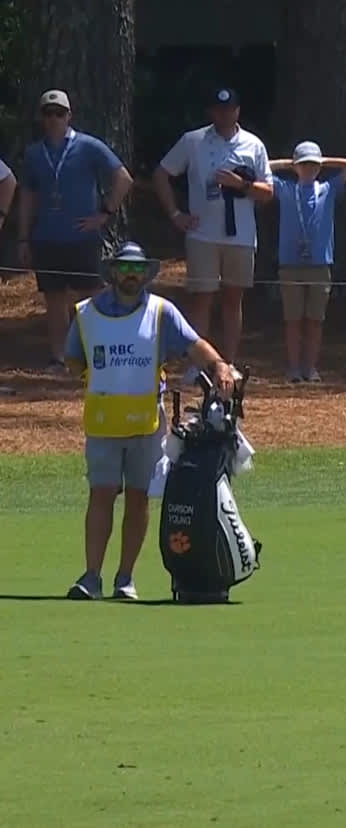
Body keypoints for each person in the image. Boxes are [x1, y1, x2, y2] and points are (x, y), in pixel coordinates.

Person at [62, 242, 235, 600]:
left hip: (145, 423)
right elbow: (74, 361)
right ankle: (91, 576)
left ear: (146, 274)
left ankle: (125, 579)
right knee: (101, 495)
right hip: (103, 423)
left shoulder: (161, 312)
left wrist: (218, 365)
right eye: (125, 268)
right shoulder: (87, 313)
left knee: (139, 499)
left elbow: (193, 344)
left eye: (138, 270)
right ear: (112, 272)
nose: (131, 275)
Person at [12, 90, 134, 368]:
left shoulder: (89, 146)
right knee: (54, 302)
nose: (54, 118)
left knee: (90, 299)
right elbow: (28, 195)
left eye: (59, 113)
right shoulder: (33, 153)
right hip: (46, 237)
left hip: (82, 237)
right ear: (41, 117)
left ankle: (96, 357)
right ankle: (59, 358)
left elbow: (123, 177)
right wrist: (23, 238)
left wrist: (104, 213)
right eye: (48, 113)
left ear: (69, 115)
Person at [152, 88, 274, 365]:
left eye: (229, 109)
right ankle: (200, 366)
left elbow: (268, 193)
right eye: (218, 110)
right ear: (210, 112)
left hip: (241, 236)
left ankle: (228, 365)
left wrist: (240, 184)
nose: (224, 115)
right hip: (202, 235)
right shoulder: (193, 141)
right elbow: (161, 174)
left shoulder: (253, 145)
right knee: (202, 300)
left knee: (233, 301)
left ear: (238, 111)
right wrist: (175, 214)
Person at [266, 142, 346, 383]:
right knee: (293, 320)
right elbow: (262, 169)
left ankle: (310, 367)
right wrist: (290, 164)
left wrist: (323, 161)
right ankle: (294, 368)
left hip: (320, 264)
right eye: (304, 164)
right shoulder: (286, 188)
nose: (308, 169)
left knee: (315, 320)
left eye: (312, 165)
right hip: (290, 264)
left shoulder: (327, 189)